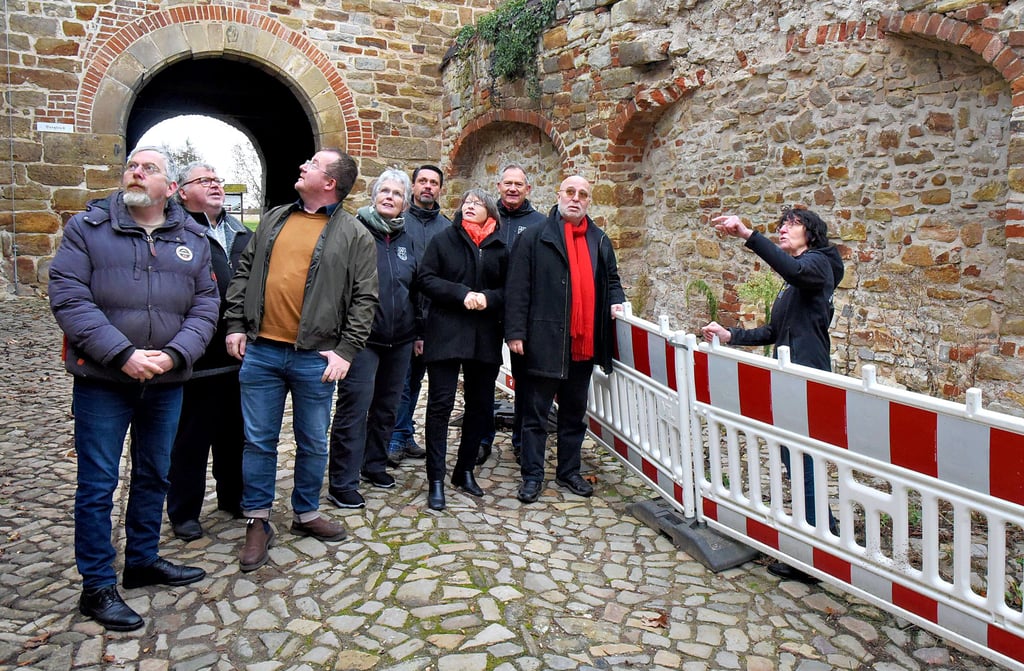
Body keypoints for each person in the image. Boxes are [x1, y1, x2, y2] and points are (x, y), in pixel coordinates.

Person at [48, 146, 219, 631]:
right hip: (104, 380)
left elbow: (206, 303)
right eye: (132, 166)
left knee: (154, 474)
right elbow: (68, 295)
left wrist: (174, 354)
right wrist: (123, 354)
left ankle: (143, 560)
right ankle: (97, 586)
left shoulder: (192, 236)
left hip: (166, 381)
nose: (137, 172)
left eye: (150, 168)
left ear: (169, 187)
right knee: (98, 484)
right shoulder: (88, 229)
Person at [224, 148, 378, 572]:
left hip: (315, 357)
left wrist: (346, 351)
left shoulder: (355, 233)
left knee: (313, 440)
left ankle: (306, 513)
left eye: (311, 163)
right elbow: (244, 270)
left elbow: (366, 298)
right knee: (258, 441)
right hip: (262, 352)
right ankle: (258, 520)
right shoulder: (274, 218)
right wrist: (236, 323)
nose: (302, 165)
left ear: (330, 183)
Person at [700, 206, 844, 583]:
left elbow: (792, 268)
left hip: (806, 377)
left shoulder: (817, 265)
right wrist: (732, 335)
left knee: (804, 461)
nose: (783, 229)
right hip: (788, 377)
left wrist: (748, 234)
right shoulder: (794, 283)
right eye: (781, 224)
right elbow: (774, 332)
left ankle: (820, 552)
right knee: (795, 461)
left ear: (811, 234)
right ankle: (825, 534)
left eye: (792, 224)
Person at [505, 175, 626, 505]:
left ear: (589, 201)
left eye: (582, 194)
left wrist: (617, 300)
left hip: (583, 345)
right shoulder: (534, 237)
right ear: (558, 195)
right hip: (544, 339)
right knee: (535, 415)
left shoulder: (599, 241)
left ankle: (569, 471)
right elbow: (517, 288)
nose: (576, 198)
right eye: (570, 192)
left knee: (574, 414)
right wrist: (515, 332)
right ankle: (532, 475)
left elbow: (612, 280)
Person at [165, 162, 253, 541]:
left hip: (238, 355)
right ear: (181, 192)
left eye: (217, 180)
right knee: (191, 438)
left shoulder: (241, 233)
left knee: (235, 433)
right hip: (194, 354)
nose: (215, 185)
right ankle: (184, 511)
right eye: (205, 181)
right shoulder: (174, 232)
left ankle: (233, 496)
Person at [327, 169, 419, 509]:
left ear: (405, 204)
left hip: (401, 339)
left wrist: (417, 331)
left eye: (397, 193)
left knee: (387, 408)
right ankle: (343, 481)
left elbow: (415, 287)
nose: (390, 197)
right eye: (385, 191)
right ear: (374, 195)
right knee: (354, 408)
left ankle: (374, 465)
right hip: (361, 339)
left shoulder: (407, 239)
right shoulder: (352, 231)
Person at [418, 189, 508, 511]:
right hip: (446, 333)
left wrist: (489, 298)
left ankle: (464, 470)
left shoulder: (500, 248)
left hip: (484, 337)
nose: (470, 207)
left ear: (491, 214)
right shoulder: (444, 240)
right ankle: (436, 479)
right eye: (467, 202)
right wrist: (461, 294)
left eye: (478, 204)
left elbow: (509, 290)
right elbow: (425, 279)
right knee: (440, 406)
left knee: (480, 406)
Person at [476, 163, 548, 466]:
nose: (513, 189)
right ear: (499, 186)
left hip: (524, 316)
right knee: (482, 380)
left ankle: (521, 441)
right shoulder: (486, 219)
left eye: (519, 184)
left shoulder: (540, 224)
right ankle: (480, 439)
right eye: (508, 183)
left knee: (525, 383)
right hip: (487, 314)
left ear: (528, 189)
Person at [387, 165, 452, 465]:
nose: (428, 187)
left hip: (435, 321)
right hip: (401, 318)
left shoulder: (447, 229)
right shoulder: (398, 223)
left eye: (434, 183)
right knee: (398, 382)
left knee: (415, 383)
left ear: (440, 189)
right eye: (422, 181)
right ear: (412, 187)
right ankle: (394, 437)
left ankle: (404, 433)